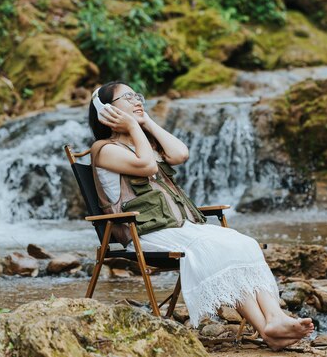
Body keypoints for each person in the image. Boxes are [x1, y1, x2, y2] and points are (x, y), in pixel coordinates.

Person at [88, 81, 314, 350]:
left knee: (242, 243)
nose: (137, 100)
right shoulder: (104, 149)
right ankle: (266, 327)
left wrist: (145, 121)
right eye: (127, 97)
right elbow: (146, 165)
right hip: (145, 233)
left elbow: (180, 153)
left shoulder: (145, 142)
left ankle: (274, 320)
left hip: (179, 227)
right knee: (214, 248)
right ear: (107, 112)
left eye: (137, 95)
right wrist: (134, 127)